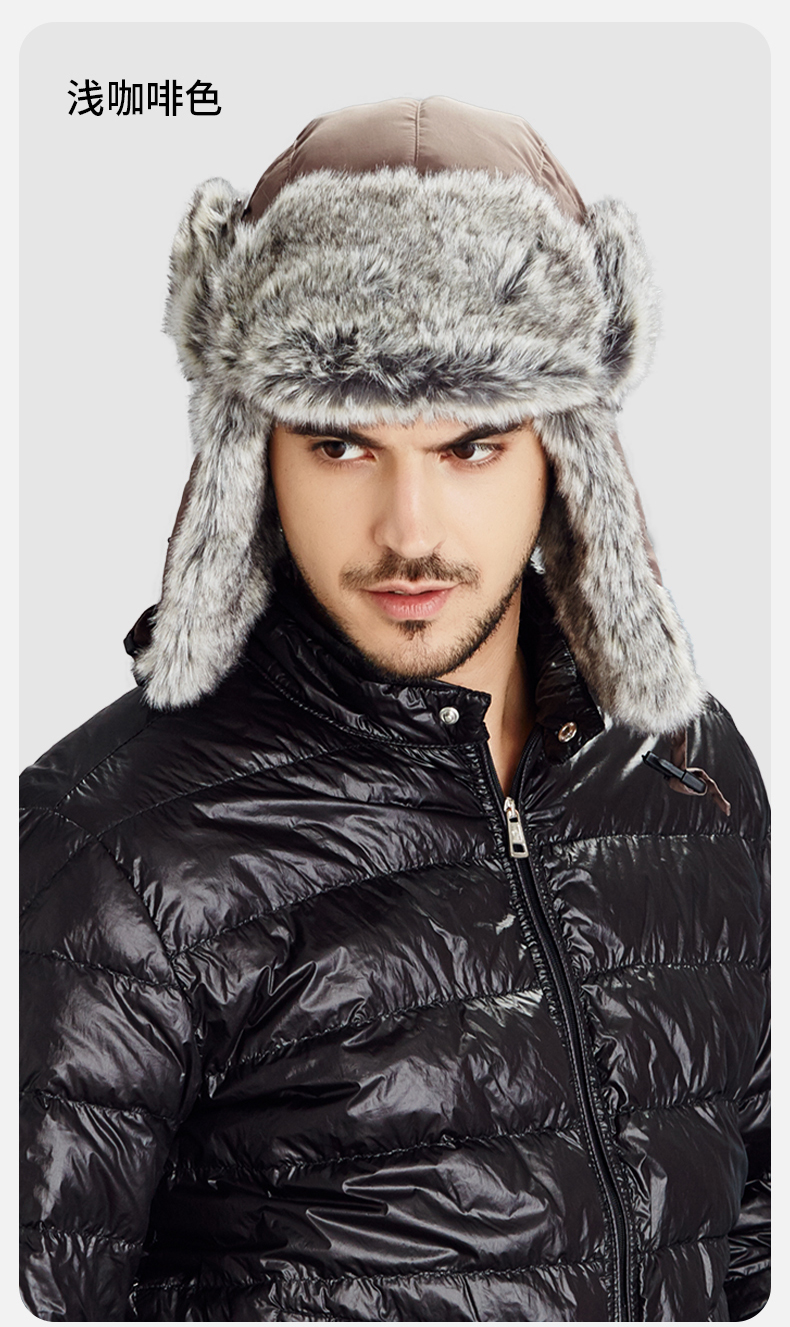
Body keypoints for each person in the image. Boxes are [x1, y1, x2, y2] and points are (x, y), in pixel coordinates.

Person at [19, 96, 769, 1322]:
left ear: (566, 455)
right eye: (341, 445)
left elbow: (740, 1250)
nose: (408, 531)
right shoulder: (114, 850)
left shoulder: (687, 770)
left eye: (472, 445)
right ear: (251, 456)